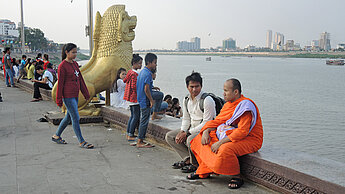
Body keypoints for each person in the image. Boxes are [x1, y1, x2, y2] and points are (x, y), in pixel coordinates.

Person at [188, 79, 263, 190]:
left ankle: (237, 176)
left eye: (226, 91)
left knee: (224, 149)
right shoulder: (228, 105)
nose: (223, 94)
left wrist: (220, 142)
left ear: (236, 92)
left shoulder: (245, 106)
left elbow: (242, 131)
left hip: (250, 139)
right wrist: (206, 131)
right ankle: (204, 170)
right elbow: (218, 121)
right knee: (200, 140)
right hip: (231, 134)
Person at [165, 72, 216, 173]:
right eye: (191, 86)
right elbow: (186, 118)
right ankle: (187, 159)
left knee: (190, 139)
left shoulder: (207, 100)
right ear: (187, 87)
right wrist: (183, 130)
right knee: (170, 136)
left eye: (197, 86)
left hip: (205, 130)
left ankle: (195, 164)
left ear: (201, 86)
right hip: (192, 128)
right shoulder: (186, 99)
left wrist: (187, 133)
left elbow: (207, 122)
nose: (194, 89)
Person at [52, 43, 94, 149]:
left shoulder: (75, 64)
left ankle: (56, 135)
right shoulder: (62, 66)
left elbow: (80, 79)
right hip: (68, 96)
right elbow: (60, 84)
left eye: (76, 52)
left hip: (75, 95)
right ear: (67, 52)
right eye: (73, 52)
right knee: (76, 117)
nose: (75, 54)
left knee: (68, 117)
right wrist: (59, 99)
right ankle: (81, 141)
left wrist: (86, 93)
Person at [134, 53, 159, 148]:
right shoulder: (148, 74)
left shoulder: (142, 72)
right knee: (144, 121)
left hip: (141, 99)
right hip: (145, 100)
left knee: (143, 119)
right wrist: (152, 101)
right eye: (155, 63)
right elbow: (146, 89)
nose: (156, 65)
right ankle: (140, 141)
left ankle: (139, 139)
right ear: (149, 62)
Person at [123, 54, 142, 141]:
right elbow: (135, 86)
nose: (141, 65)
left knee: (133, 116)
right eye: (139, 63)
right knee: (136, 116)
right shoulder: (135, 74)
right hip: (135, 98)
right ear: (134, 63)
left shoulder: (130, 72)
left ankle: (128, 133)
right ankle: (130, 134)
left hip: (129, 98)